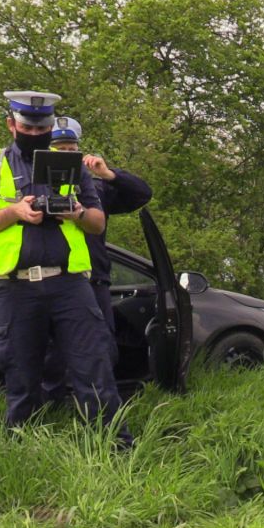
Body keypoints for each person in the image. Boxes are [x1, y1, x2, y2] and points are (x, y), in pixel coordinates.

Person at [0, 91, 131, 444]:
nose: (35, 133)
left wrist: (77, 213)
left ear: (51, 127)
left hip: (69, 284)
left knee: (95, 370)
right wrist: (14, 212)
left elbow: (97, 222)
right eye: (28, 127)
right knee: (21, 378)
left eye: (42, 128)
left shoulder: (71, 165)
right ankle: (22, 454)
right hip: (15, 286)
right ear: (12, 125)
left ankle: (115, 449)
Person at [41, 116, 153, 402]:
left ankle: (99, 410)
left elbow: (141, 194)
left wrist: (108, 174)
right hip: (51, 279)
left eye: (71, 150)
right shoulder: (34, 186)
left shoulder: (94, 188)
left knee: (102, 349)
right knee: (53, 355)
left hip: (93, 280)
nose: (66, 155)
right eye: (59, 150)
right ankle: (53, 411)